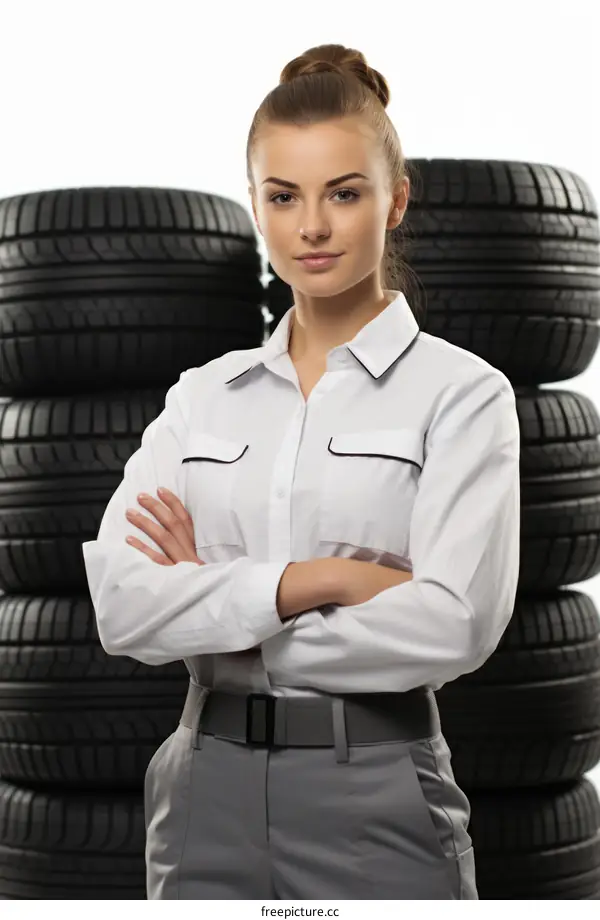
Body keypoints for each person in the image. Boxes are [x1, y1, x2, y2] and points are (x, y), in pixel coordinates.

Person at [82, 43, 521, 900]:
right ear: (256, 204)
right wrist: (320, 580)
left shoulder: (462, 395)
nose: (311, 227)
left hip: (379, 787)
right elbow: (122, 606)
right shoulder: (203, 397)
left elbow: (453, 624)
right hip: (200, 790)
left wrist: (210, 597)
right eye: (282, 197)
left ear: (394, 201)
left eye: (343, 194)